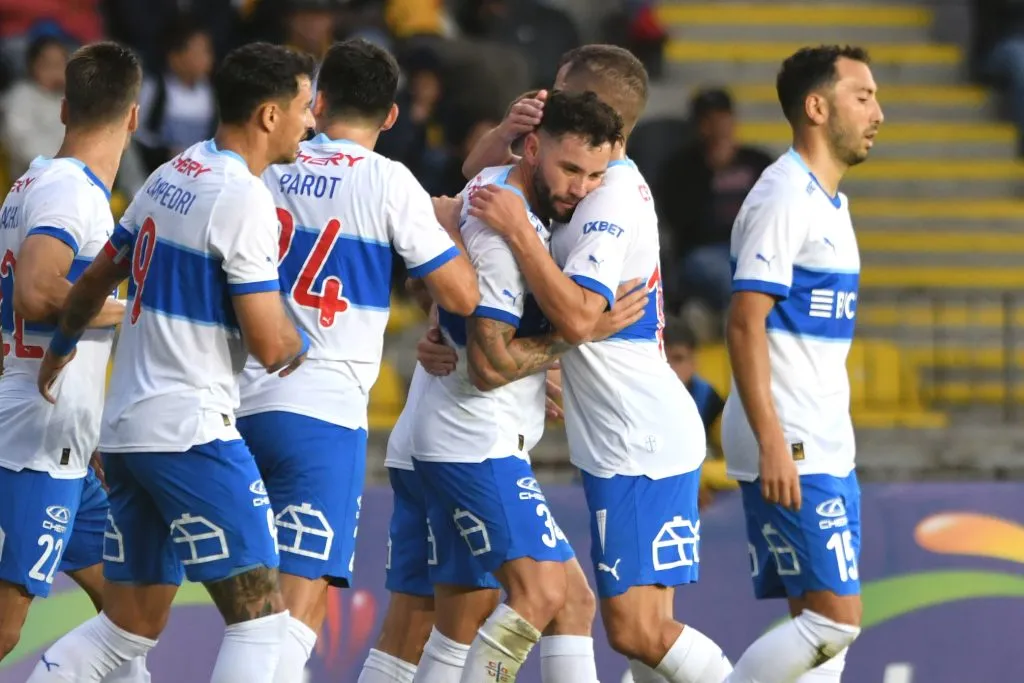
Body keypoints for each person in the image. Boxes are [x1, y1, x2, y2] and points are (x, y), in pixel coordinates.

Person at [28, 42, 317, 683]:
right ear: (269, 115)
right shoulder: (242, 199)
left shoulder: (172, 172)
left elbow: (103, 271)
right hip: (191, 431)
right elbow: (272, 346)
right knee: (263, 618)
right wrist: (308, 338)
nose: (311, 122)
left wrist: (62, 346)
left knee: (128, 625)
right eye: (304, 107)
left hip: (129, 434)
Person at [455, 44, 733, 683]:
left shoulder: (610, 195)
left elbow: (580, 318)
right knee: (631, 629)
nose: (547, 99)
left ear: (601, 113)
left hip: (638, 434)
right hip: (628, 428)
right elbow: (477, 183)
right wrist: (506, 133)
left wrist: (523, 239)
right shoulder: (579, 178)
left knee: (636, 630)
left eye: (560, 89)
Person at [234, 38, 480, 681]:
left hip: (232, 400)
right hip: (320, 413)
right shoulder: (388, 181)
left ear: (316, 102)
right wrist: (452, 224)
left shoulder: (265, 164)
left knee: (240, 614)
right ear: (392, 116)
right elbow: (460, 294)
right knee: (298, 609)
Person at [408, 90, 630, 683]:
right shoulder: (504, 230)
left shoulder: (505, 190)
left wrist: (441, 324)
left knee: (562, 604)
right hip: (471, 442)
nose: (582, 189)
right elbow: (488, 367)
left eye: (595, 175)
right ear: (533, 149)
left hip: (468, 438)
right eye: (570, 170)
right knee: (541, 591)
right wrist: (577, 338)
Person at [722, 45, 883, 683]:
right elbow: (743, 321)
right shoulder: (783, 194)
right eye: (863, 97)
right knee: (835, 620)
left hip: (820, 438)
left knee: (816, 630)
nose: (879, 113)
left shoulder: (829, 203)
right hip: (790, 439)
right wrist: (772, 441)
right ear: (817, 108)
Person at [0, 41, 150, 682]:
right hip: (35, 440)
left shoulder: (32, 180)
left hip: (60, 436)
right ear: (135, 118)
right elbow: (37, 292)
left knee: (127, 616)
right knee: (6, 624)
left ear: (64, 108)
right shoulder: (72, 194)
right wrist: (136, 310)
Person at [662, 318, 736, 509]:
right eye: (663, 360)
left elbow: (735, 461)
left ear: (694, 362)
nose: (670, 369)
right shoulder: (637, 401)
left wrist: (700, 479)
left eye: (678, 359)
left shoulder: (710, 400)